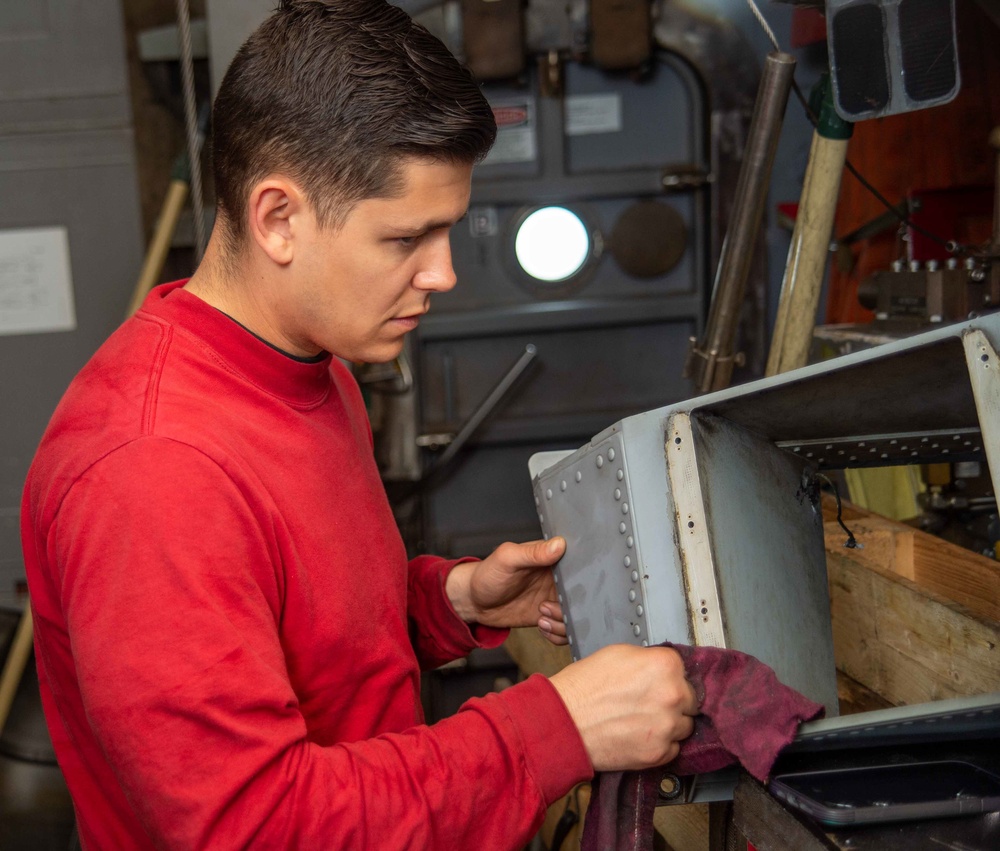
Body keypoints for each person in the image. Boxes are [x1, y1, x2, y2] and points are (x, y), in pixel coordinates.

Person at [20, 1, 698, 848]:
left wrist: (449, 600)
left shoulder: (315, 365)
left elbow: (296, 635)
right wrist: (557, 727)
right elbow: (256, 827)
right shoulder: (154, 470)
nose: (444, 272)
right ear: (278, 218)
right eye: (408, 237)